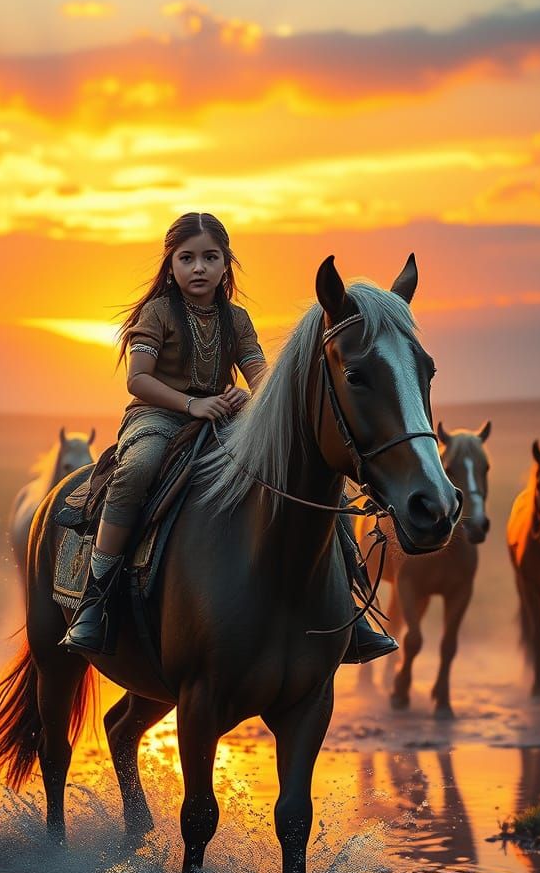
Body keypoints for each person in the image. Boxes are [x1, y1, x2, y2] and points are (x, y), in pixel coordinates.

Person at [63, 212, 397, 664]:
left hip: (223, 419)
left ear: (226, 265)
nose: (198, 267)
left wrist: (254, 397)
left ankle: (351, 604)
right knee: (138, 469)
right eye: (187, 258)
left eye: (209, 257)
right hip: (158, 417)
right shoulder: (157, 313)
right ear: (171, 264)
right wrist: (191, 404)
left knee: (312, 477)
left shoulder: (236, 319)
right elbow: (138, 380)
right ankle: (96, 599)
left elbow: (260, 372)